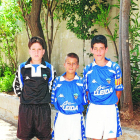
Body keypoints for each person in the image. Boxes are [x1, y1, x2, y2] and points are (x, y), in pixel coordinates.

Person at [13, 36, 56, 140]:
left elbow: (53, 86)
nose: (36, 52)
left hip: (43, 109)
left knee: (43, 137)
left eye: (39, 49)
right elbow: (17, 85)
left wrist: (47, 99)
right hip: (26, 108)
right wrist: (22, 98)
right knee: (25, 136)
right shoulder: (22, 68)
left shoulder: (49, 68)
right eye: (33, 49)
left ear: (43, 51)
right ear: (29, 51)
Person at [83, 35, 123, 140]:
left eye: (101, 48)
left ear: (106, 49)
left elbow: (119, 88)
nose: (98, 52)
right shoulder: (88, 70)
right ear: (91, 50)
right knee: (96, 138)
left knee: (112, 138)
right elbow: (86, 90)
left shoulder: (115, 68)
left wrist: (115, 102)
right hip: (94, 108)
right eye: (95, 49)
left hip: (110, 108)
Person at [51, 53, 87, 140]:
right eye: (68, 63)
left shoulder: (81, 82)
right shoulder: (57, 81)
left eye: (74, 63)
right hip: (61, 117)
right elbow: (53, 100)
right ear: (64, 65)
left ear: (77, 66)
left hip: (76, 118)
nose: (71, 65)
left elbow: (85, 101)